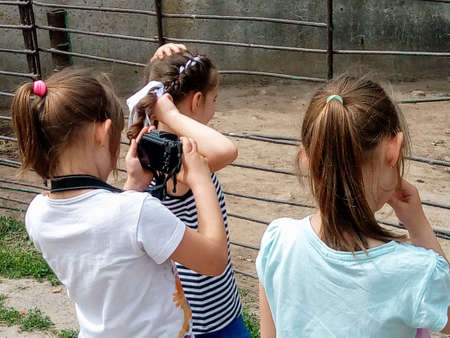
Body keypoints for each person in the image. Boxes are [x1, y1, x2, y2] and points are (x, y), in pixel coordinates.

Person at [11, 67, 229, 338]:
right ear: (102, 133)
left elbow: (108, 243)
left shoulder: (37, 213)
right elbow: (214, 260)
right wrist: (200, 180)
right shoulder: (135, 212)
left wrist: (133, 187)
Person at [256, 75, 450, 337]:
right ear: (393, 150)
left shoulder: (277, 241)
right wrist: (419, 226)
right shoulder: (415, 272)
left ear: (305, 156)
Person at [127, 43, 250, 337]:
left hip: (202, 307)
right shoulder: (180, 157)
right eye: (214, 100)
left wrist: (156, 73)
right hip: (209, 319)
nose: (214, 109)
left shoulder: (151, 145)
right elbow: (226, 150)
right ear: (196, 101)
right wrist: (172, 113)